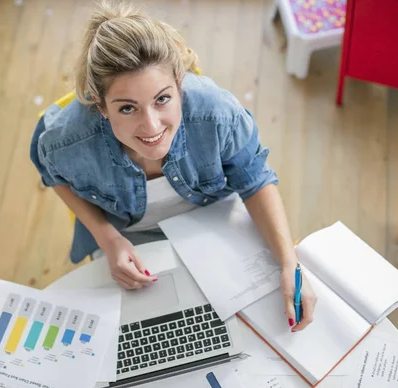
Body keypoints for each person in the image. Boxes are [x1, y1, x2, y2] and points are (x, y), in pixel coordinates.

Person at [29, 0, 316, 332]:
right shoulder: (68, 140)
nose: (151, 127)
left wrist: (289, 265)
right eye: (127, 108)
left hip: (213, 220)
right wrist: (107, 238)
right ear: (100, 105)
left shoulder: (217, 112)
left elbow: (254, 179)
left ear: (180, 82)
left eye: (162, 99)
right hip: (129, 241)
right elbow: (52, 174)